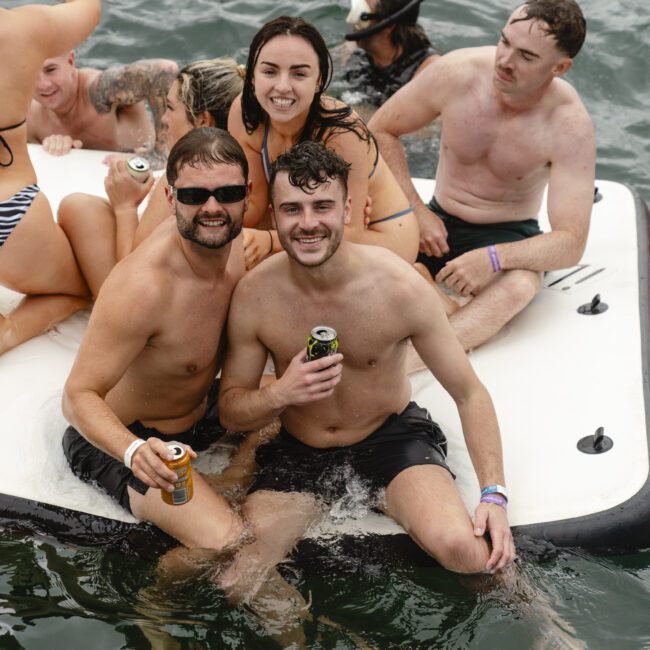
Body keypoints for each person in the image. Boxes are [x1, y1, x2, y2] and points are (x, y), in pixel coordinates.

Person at [216, 141, 515, 607]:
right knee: (240, 579)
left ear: (347, 209)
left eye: (322, 206)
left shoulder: (398, 286)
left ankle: (545, 630)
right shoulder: (255, 296)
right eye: (292, 209)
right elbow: (232, 411)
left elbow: (468, 392)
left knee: (464, 549)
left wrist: (494, 495)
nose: (308, 222)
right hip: (300, 451)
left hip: (390, 439)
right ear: (273, 215)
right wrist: (281, 394)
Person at [61, 127, 250, 552]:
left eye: (227, 192)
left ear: (247, 193)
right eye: (194, 196)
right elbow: (77, 395)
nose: (213, 208)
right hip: (126, 439)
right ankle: (152, 607)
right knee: (230, 542)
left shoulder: (234, 243)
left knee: (293, 405)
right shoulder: (144, 287)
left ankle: (230, 482)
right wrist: (131, 451)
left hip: (201, 415)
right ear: (170, 198)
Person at [369, 0, 595, 351]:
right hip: (433, 218)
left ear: (560, 67)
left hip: (505, 231)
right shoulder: (458, 72)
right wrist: (416, 209)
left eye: (527, 56)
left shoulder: (569, 124)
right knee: (359, 245)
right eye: (504, 42)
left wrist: (494, 258)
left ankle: (415, 361)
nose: (505, 61)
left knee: (520, 285)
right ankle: (444, 306)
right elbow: (381, 129)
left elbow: (570, 243)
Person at [228, 16, 419, 271]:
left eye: (299, 73)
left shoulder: (341, 132)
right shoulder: (245, 114)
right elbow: (255, 208)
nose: (282, 87)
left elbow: (350, 231)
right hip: (309, 221)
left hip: (377, 234)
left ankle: (422, 277)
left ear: (319, 81)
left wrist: (270, 240)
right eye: (270, 71)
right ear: (252, 76)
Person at [57, 58, 245, 298]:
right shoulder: (241, 166)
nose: (164, 119)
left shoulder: (186, 177)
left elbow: (134, 273)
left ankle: (80, 299)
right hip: (207, 290)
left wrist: (125, 206)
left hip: (160, 304)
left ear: (203, 121)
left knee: (79, 209)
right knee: (86, 209)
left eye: (170, 108)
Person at [0, 0, 100, 355]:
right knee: (76, 289)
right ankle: (7, 332)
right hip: (8, 208)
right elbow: (91, 9)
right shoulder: (20, 28)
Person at [27, 51, 177, 169]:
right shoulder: (30, 116)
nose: (43, 85)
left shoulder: (100, 92)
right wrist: (52, 146)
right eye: (31, 73)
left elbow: (164, 71)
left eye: (51, 70)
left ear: (70, 61)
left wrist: (159, 153)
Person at [341, 0, 439, 107]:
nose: (352, 22)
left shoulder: (427, 72)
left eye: (360, 14)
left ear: (388, 27)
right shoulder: (354, 52)